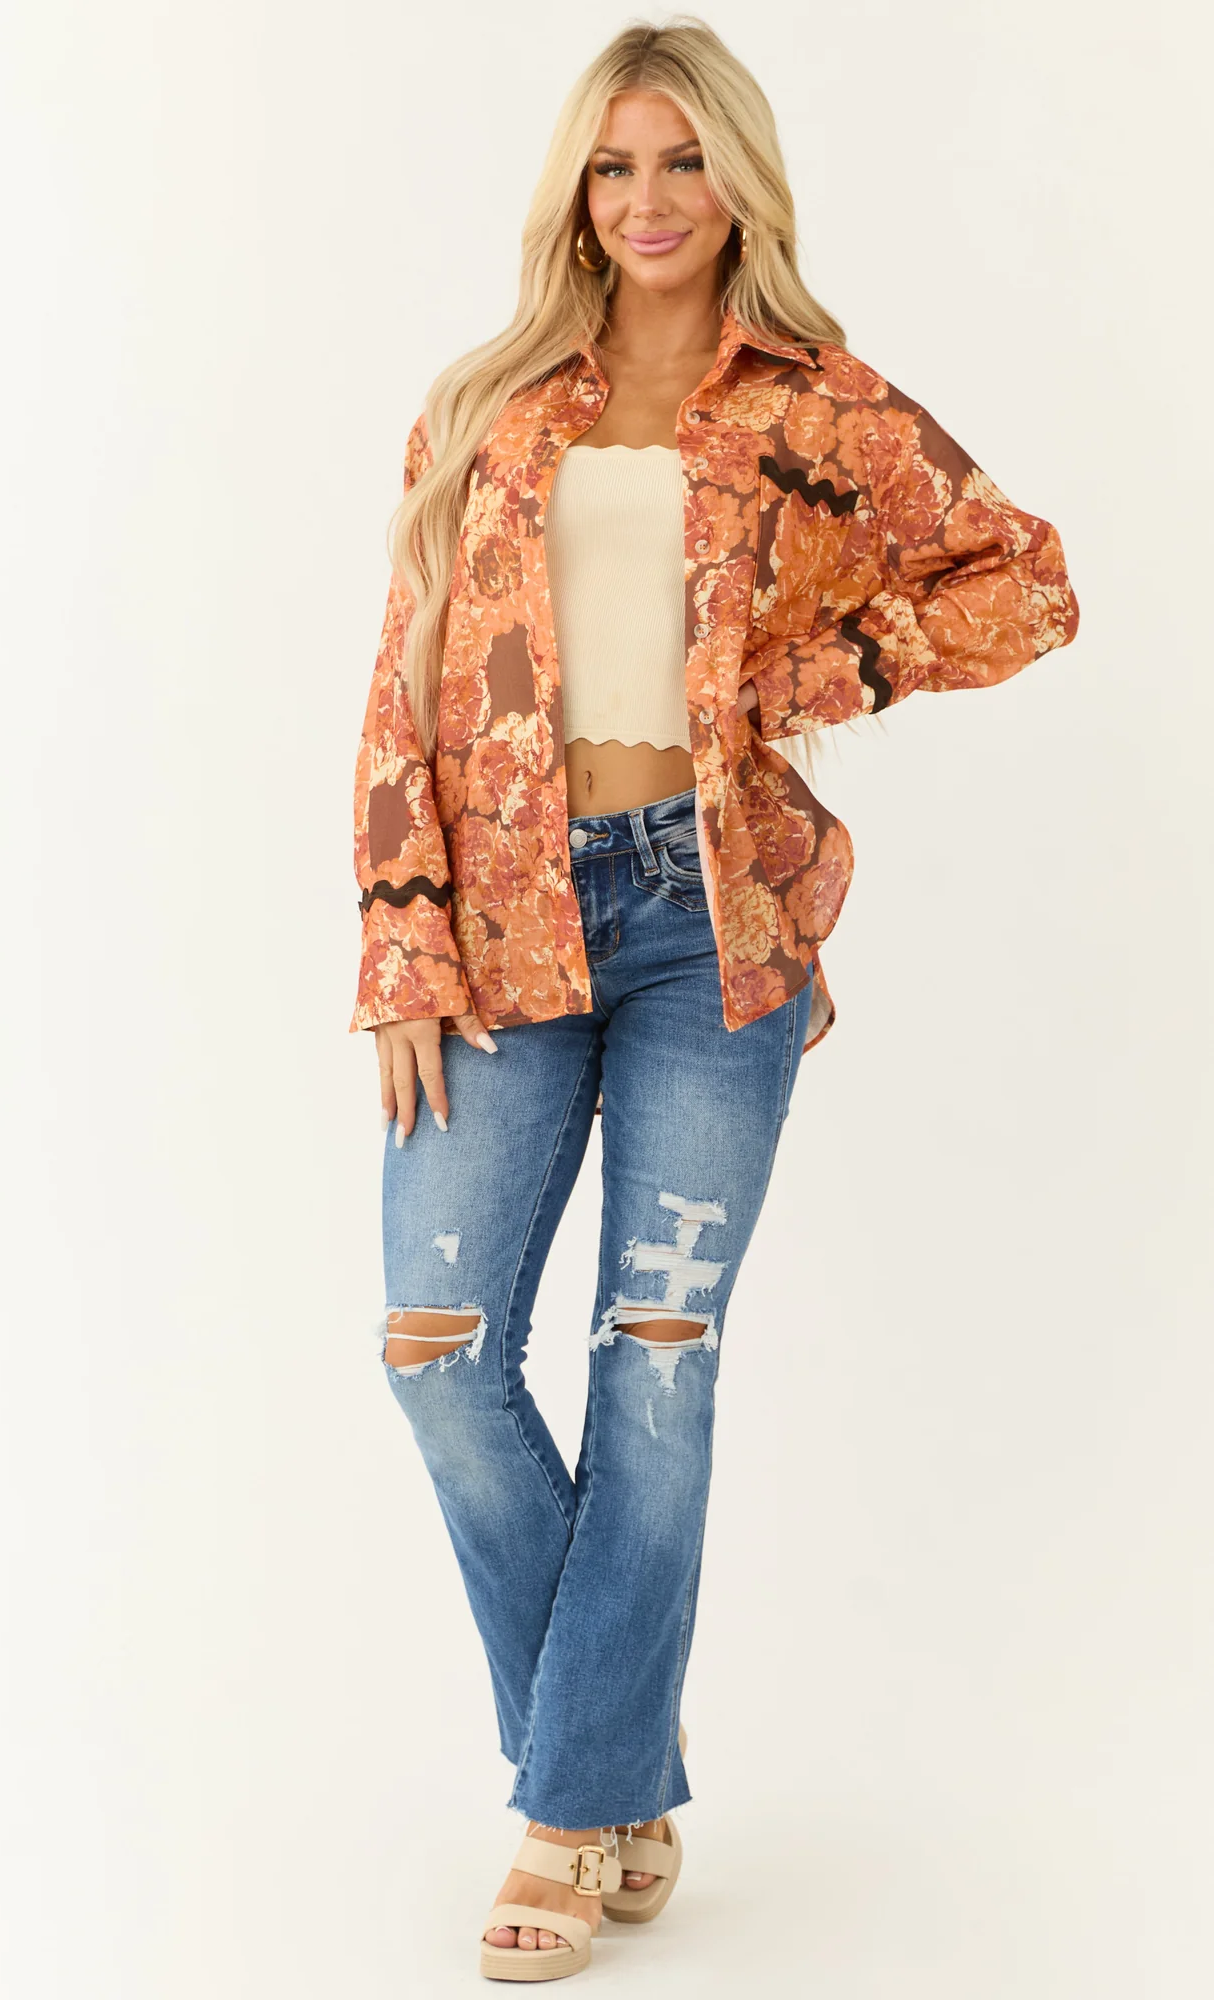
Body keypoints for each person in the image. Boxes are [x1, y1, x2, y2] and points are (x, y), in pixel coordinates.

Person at [350, 17, 1078, 1983]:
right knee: (434, 1348)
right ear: (575, 190)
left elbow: (1025, 580)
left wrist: (810, 674)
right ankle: (616, 1769)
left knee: (653, 1355)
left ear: (739, 180)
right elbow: (402, 685)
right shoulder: (491, 405)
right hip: (499, 925)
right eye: (615, 164)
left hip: (713, 924)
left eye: (684, 162)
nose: (650, 199)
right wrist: (400, 941)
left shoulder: (819, 404)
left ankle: (565, 1818)